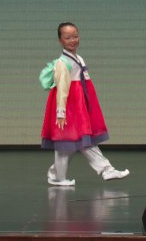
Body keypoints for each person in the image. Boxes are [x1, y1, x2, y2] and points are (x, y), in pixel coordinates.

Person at [39, 23, 130, 186]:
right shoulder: (63, 63)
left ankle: (56, 175)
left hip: (78, 106)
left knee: (70, 143)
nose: (72, 40)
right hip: (69, 107)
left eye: (75, 36)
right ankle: (105, 170)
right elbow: (62, 90)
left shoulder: (78, 58)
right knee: (72, 143)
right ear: (60, 40)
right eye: (67, 37)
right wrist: (61, 113)